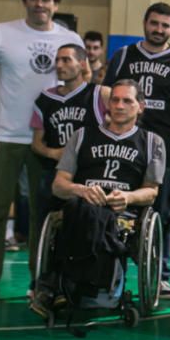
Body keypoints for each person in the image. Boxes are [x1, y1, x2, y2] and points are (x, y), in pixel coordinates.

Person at [0, 0, 83, 307]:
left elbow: (82, 85)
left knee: (41, 214)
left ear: (56, 4)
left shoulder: (69, 38)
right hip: (4, 135)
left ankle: (40, 280)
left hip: (47, 141)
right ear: (25, 1)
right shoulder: (0, 33)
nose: (40, 4)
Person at [27, 80, 166, 315]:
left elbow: (152, 192)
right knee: (81, 208)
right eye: (115, 100)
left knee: (91, 214)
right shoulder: (81, 136)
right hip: (80, 205)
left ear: (140, 106)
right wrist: (81, 189)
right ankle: (88, 286)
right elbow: (58, 185)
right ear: (107, 104)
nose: (119, 105)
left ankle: (61, 286)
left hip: (122, 213)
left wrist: (129, 197)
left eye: (127, 101)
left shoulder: (153, 142)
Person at [104, 2, 170, 298]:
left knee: (162, 212)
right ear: (145, 23)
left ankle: (161, 273)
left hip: (165, 147)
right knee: (118, 208)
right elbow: (107, 92)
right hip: (124, 145)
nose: (159, 30)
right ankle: (109, 272)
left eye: (165, 25)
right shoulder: (124, 55)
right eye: (154, 23)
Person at [30, 44, 108, 229]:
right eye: (57, 60)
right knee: (45, 220)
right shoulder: (45, 99)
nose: (59, 65)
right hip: (56, 171)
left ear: (82, 64)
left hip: (90, 172)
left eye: (66, 60)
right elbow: (36, 144)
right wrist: (55, 153)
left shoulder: (99, 94)